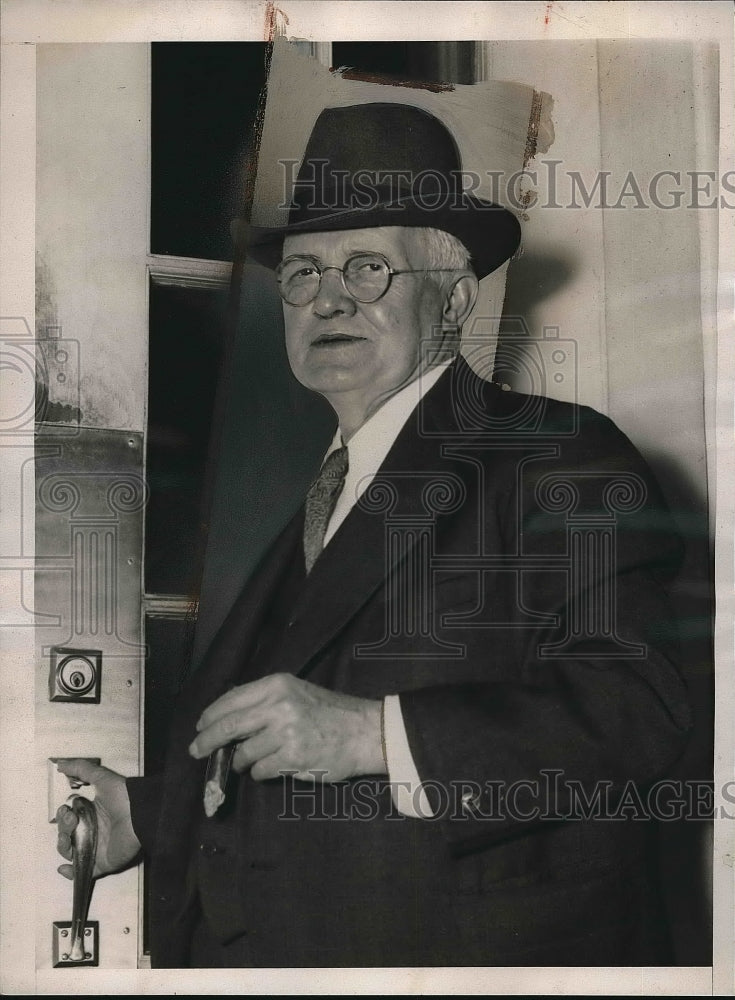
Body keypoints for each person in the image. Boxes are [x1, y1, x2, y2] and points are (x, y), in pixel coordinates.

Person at [56, 101, 692, 967]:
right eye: (303, 276)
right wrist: (145, 806)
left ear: (456, 298)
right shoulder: (329, 491)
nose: (327, 300)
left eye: (366, 268)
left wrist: (373, 737)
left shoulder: (557, 453)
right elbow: (303, 710)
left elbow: (641, 714)